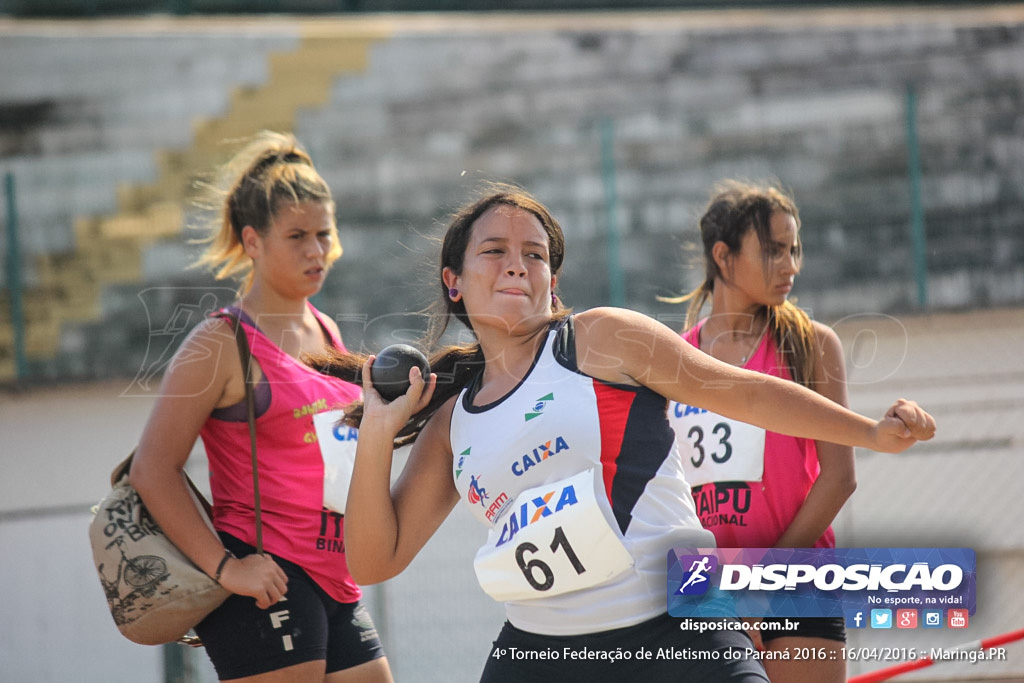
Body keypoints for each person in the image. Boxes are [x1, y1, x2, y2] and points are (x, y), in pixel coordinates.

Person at [314, 183, 934, 682]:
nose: (518, 265)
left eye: (536, 254)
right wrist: (377, 432)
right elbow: (375, 558)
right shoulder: (453, 421)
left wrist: (870, 434)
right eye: (495, 250)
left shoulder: (598, 339)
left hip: (679, 617)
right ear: (454, 280)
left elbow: (744, 391)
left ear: (552, 280)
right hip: (542, 649)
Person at [130, 132, 393, 683]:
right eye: (296, 236)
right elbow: (152, 469)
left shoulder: (326, 328)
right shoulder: (219, 341)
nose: (316, 251)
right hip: (265, 575)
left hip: (334, 574)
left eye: (323, 234)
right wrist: (227, 569)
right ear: (252, 241)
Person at [662, 180, 855, 683]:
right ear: (722, 257)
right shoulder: (669, 361)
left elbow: (839, 479)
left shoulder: (811, 345)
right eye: (772, 251)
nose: (790, 265)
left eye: (793, 250)